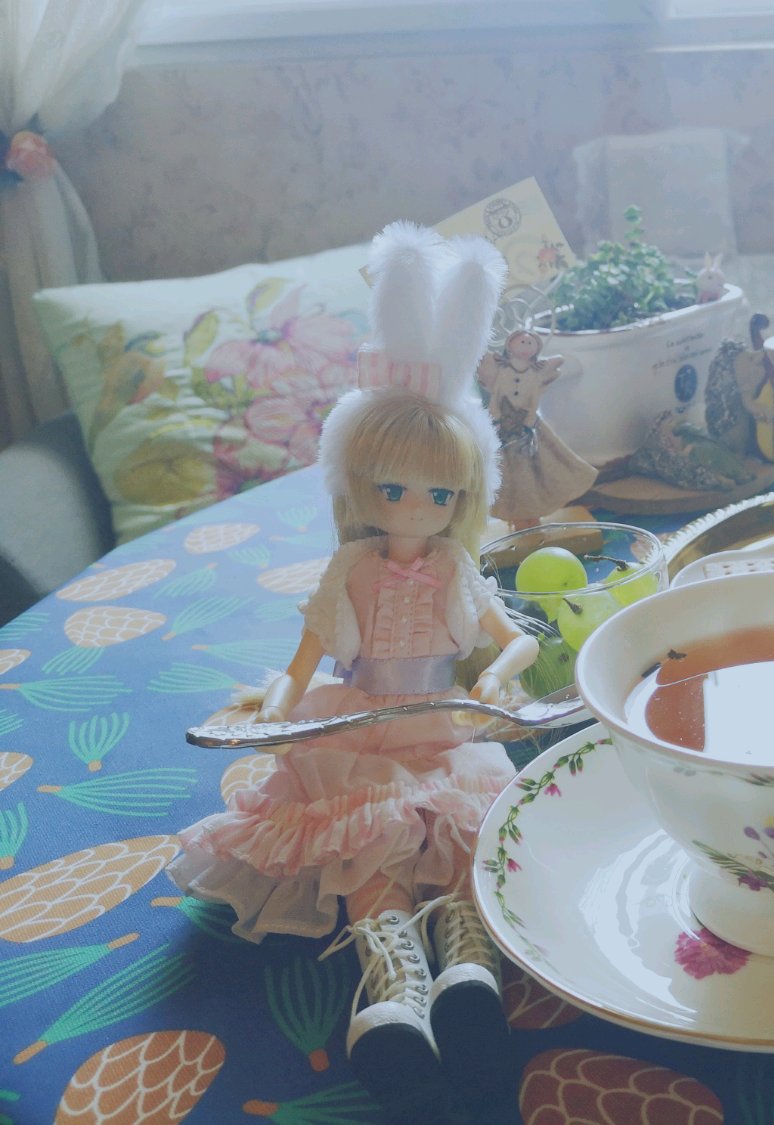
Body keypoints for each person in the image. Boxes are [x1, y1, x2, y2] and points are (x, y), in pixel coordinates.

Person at [168, 224, 536, 1118]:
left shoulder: (456, 567)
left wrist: (500, 674)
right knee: (370, 839)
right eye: (393, 488)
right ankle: (393, 985)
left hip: (443, 721)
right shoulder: (350, 571)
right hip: (359, 724)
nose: (415, 507)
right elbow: (302, 660)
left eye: (438, 493)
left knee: (460, 842)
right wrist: (280, 704)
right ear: (356, 484)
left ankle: (469, 972)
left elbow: (511, 638)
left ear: (463, 495)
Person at [479, 327, 597, 529]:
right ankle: (515, 517)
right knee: (505, 471)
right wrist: (495, 418)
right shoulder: (502, 370)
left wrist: (529, 419)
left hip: (528, 428)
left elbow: (533, 399)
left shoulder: (535, 373)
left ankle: (533, 515)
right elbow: (496, 397)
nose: (525, 345)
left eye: (530, 342)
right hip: (502, 428)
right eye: (521, 341)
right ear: (509, 345)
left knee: (540, 467)